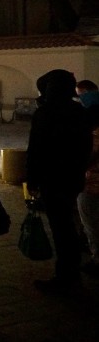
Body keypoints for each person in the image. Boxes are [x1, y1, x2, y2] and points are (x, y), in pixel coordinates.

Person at [26, 69, 93, 293]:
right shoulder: (79, 111)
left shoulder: (46, 113)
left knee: (61, 227)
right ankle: (71, 269)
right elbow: (85, 147)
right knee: (68, 224)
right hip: (72, 178)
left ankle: (66, 275)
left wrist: (32, 179)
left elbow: (36, 149)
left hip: (52, 178)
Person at [78, 103, 99, 277]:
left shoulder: (94, 137)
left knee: (92, 226)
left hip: (93, 186)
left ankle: (97, 260)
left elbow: (84, 160)